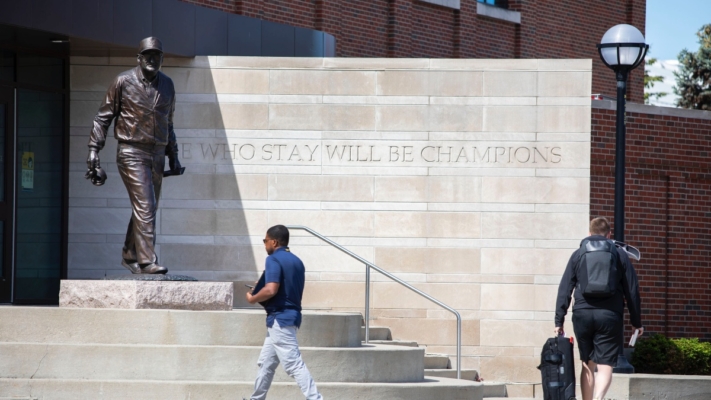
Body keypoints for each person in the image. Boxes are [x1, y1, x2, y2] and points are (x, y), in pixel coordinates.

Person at [86, 37, 182, 274]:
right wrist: (93, 150)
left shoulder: (168, 85)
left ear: (162, 58)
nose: (152, 59)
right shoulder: (122, 81)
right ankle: (148, 261)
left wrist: (174, 156)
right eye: (147, 55)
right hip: (131, 151)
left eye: (156, 55)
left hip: (157, 154)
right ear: (138, 58)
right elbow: (102, 118)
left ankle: (131, 255)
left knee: (146, 207)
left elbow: (168, 123)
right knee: (146, 206)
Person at [554, 217, 643, 400]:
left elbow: (565, 289)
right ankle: (598, 399)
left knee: (587, 363)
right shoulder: (619, 254)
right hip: (610, 316)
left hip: (582, 314)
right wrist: (636, 322)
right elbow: (632, 290)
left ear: (589, 233)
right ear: (609, 234)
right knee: (605, 365)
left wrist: (559, 320)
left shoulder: (578, 254)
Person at [245, 225, 323, 400]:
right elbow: (284, 288)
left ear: (274, 241)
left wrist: (253, 297)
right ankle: (256, 398)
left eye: (265, 241)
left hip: (280, 318)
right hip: (287, 318)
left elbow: (271, 289)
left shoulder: (273, 259)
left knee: (293, 364)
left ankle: (315, 398)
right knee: (266, 363)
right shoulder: (297, 261)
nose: (265, 244)